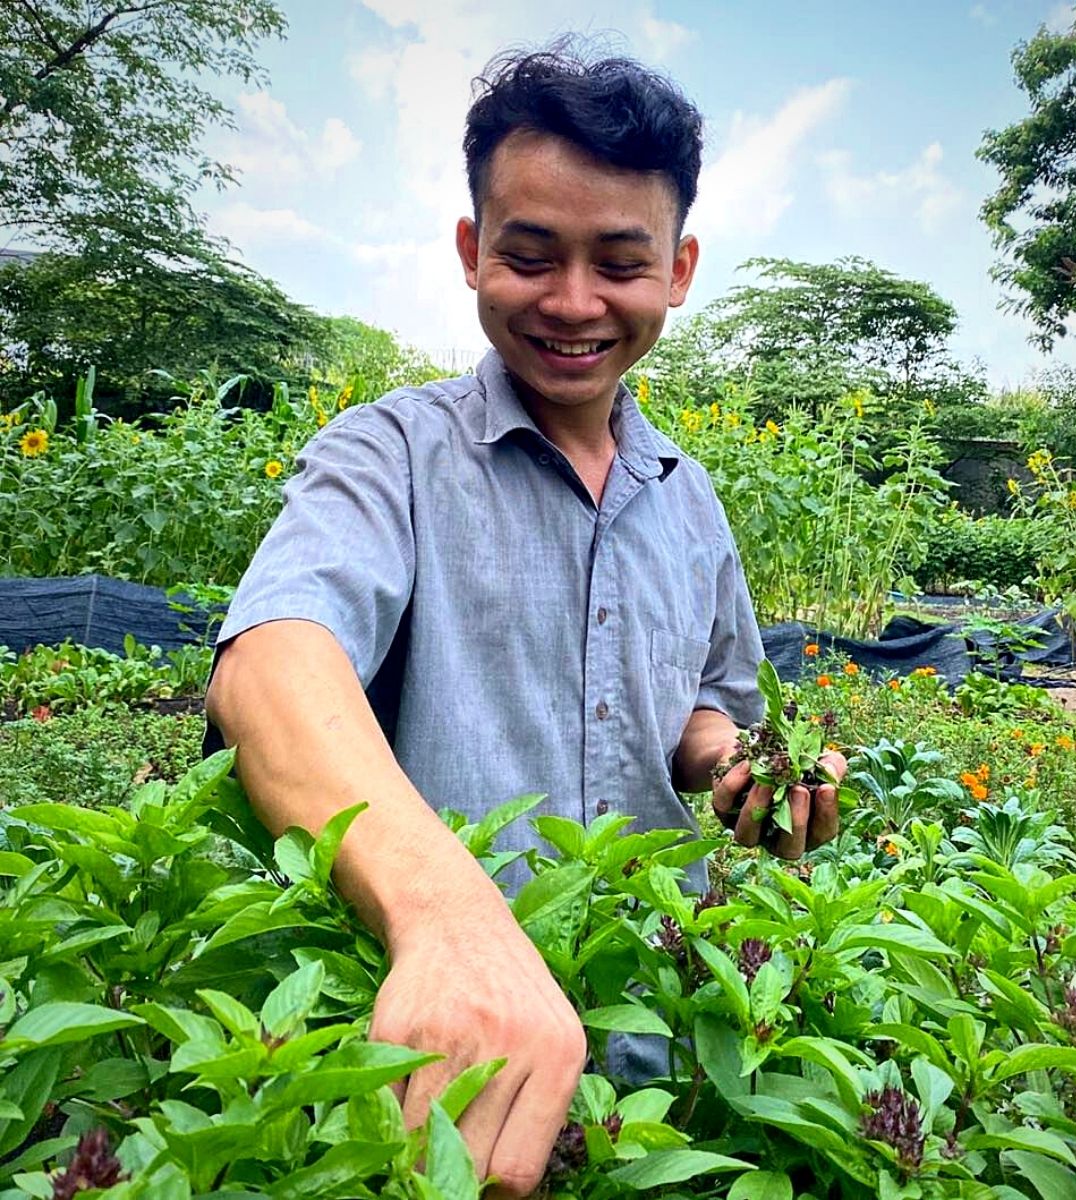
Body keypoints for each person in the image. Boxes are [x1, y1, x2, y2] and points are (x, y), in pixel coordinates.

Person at [204, 42, 842, 1199]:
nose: (574, 304)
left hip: (659, 1066)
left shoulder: (688, 497)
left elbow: (708, 706)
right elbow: (270, 663)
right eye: (531, 256)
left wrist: (743, 766)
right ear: (471, 252)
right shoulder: (390, 454)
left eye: (620, 263)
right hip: (433, 1067)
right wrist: (446, 914)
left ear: (681, 269)